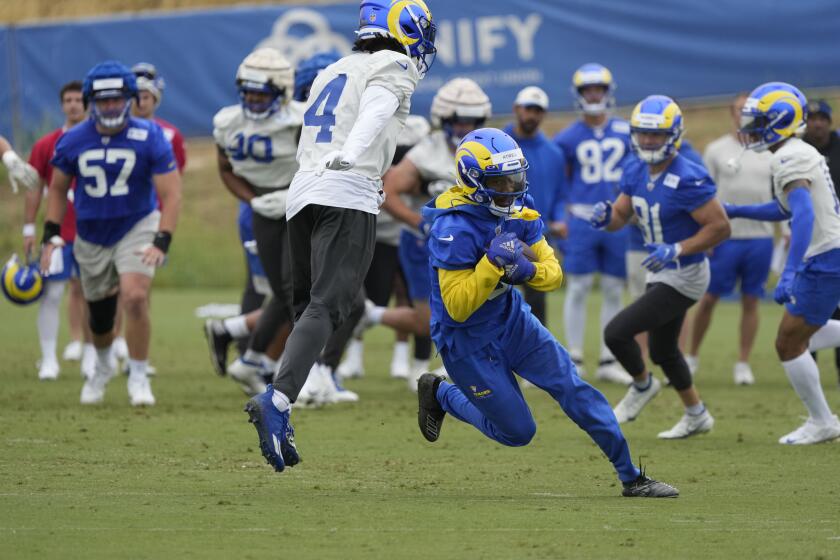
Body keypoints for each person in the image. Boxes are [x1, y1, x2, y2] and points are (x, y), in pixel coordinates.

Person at [414, 127, 677, 497]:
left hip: (511, 320)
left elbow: (553, 275)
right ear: (473, 179)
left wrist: (529, 271)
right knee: (518, 432)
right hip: (466, 340)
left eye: (515, 177)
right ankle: (441, 393)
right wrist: (491, 265)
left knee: (573, 387)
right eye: (501, 181)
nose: (512, 188)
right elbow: (456, 309)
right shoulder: (453, 227)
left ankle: (631, 475)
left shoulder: (519, 211)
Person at [244, 0, 437, 472]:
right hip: (346, 190)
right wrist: (352, 155)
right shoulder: (393, 63)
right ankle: (280, 399)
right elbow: (376, 111)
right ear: (403, 29)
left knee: (310, 305)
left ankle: (286, 401)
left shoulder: (336, 66)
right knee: (330, 305)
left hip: (303, 193)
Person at [39, 60, 182, 406]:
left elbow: (171, 192)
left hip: (137, 223)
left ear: (129, 98)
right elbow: (57, 188)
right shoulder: (73, 139)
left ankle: (138, 374)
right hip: (91, 232)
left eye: (117, 99)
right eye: (103, 101)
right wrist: (51, 233)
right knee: (100, 318)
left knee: (134, 296)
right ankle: (103, 365)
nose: (111, 106)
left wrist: (162, 237)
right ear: (91, 102)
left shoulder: (149, 136)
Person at [593, 95, 730, 438]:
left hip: (686, 273)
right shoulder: (636, 168)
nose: (649, 140)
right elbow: (622, 215)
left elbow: (720, 227)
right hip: (660, 269)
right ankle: (696, 414)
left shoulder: (688, 176)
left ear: (674, 134)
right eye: (643, 133)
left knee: (617, 332)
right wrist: (607, 217)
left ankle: (642, 386)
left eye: (657, 134)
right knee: (663, 349)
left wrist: (678, 248)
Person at [725, 82, 840, 444]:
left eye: (758, 120)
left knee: (788, 344)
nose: (751, 128)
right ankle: (822, 421)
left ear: (779, 121)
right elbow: (785, 208)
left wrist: (790, 271)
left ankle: (822, 422)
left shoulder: (788, 155)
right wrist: (738, 209)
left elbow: (803, 216)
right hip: (827, 254)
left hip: (823, 256)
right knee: (798, 338)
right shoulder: (793, 152)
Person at [374, 77, 490, 390]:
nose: (464, 127)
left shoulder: (490, 147)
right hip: (427, 245)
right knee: (428, 318)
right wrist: (418, 221)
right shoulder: (429, 150)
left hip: (474, 245)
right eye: (458, 120)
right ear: (444, 119)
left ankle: (456, 368)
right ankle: (366, 316)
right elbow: (387, 190)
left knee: (477, 308)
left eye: (471, 121)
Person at [207, 48, 301, 397]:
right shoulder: (228, 122)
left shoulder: (299, 122)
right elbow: (225, 169)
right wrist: (253, 199)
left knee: (300, 290)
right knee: (282, 291)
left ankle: (269, 363)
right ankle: (254, 361)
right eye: (249, 94)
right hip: (263, 206)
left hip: (300, 203)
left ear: (282, 92)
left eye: (262, 94)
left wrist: (299, 193)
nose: (254, 101)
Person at [685, 93, 773, 385]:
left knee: (751, 300)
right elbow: (704, 195)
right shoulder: (716, 150)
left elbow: (780, 197)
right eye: (740, 109)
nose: (744, 114)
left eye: (750, 110)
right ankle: (692, 357)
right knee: (709, 298)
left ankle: (743, 363)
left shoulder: (770, 150)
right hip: (725, 238)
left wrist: (784, 235)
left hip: (760, 239)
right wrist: (706, 236)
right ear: (731, 113)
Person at [553, 63, 631, 384]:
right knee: (579, 286)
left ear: (608, 93)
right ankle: (574, 354)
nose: (594, 95)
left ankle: (608, 358)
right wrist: (562, 215)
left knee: (614, 288)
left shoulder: (627, 132)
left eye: (599, 89)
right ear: (579, 94)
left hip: (618, 215)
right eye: (588, 90)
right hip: (583, 217)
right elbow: (562, 181)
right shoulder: (567, 137)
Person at [338, 114, 431, 381]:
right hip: (378, 231)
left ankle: (413, 361)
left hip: (412, 232)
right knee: (369, 299)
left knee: (416, 298)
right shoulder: (370, 130)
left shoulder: (422, 138)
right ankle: (354, 358)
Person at [22, 80, 96, 380]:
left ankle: (92, 358)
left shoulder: (100, 140)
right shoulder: (46, 144)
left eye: (79, 99)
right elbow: (34, 187)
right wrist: (29, 227)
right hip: (58, 236)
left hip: (94, 234)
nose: (74, 104)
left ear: (87, 103)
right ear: (62, 104)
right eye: (68, 100)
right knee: (51, 295)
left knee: (94, 296)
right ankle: (49, 359)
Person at [503, 86, 566, 326]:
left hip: (536, 236)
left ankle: (534, 358)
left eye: (538, 110)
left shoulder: (554, 153)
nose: (532, 115)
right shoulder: (498, 143)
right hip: (497, 231)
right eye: (529, 108)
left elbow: (560, 193)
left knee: (536, 305)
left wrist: (559, 218)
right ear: (516, 109)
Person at [802, 99, 840, 382]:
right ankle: (808, 374)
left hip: (834, 242)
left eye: (821, 118)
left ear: (829, 121)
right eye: (811, 118)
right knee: (806, 312)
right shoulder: (795, 151)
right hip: (808, 240)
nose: (817, 123)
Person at [131, 63, 187, 173]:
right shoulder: (117, 132)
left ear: (155, 98)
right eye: (136, 97)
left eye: (146, 97)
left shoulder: (170, 134)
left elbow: (176, 172)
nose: (141, 103)